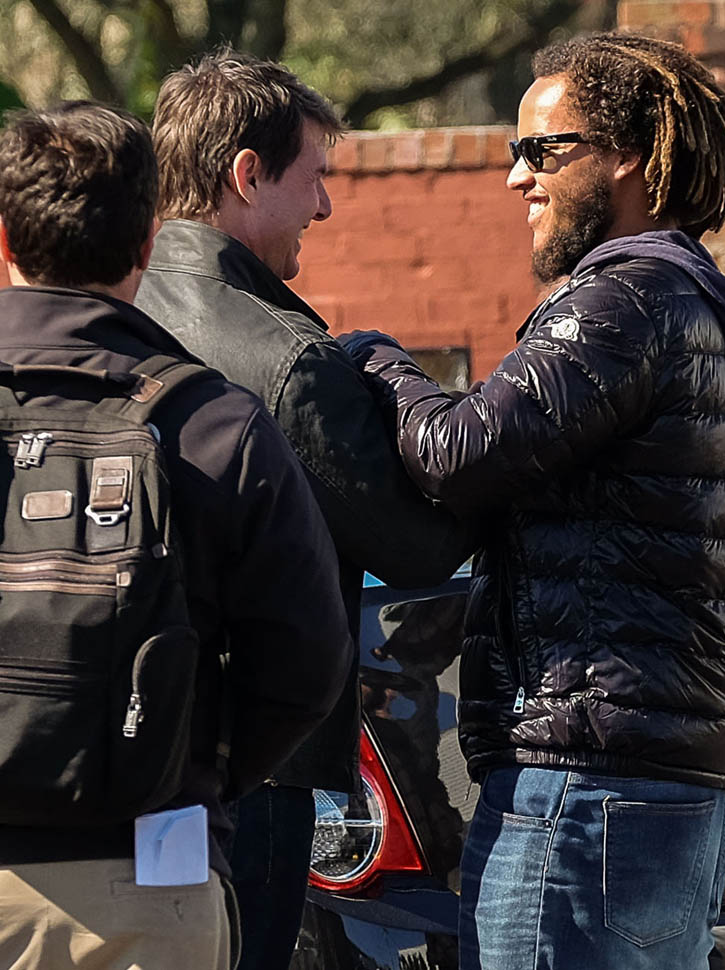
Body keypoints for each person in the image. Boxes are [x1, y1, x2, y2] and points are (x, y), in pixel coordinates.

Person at [339, 32, 725, 970]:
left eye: (542, 151)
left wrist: (376, 361)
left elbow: (458, 451)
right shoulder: (692, 307)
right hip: (653, 788)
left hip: (589, 787)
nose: (517, 177)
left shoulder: (622, 301)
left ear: (625, 155)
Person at [134, 50, 476, 970]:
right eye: (314, 178)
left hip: (104, 756)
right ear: (247, 174)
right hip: (250, 769)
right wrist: (400, 387)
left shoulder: (102, 311)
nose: (324, 207)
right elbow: (420, 550)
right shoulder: (291, 358)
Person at [0, 101, 352, 970]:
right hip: (146, 880)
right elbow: (308, 664)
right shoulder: (211, 424)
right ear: (147, 244)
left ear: (4, 240)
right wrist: (188, 766)